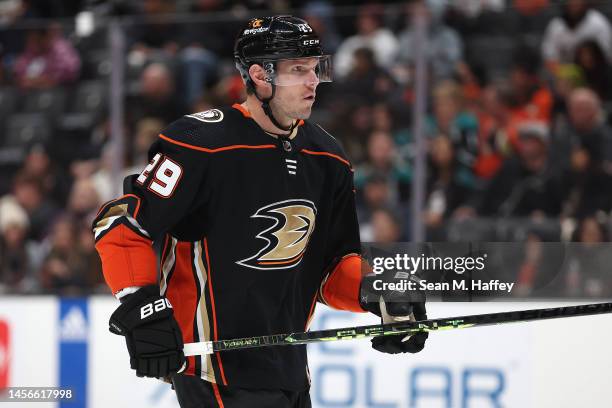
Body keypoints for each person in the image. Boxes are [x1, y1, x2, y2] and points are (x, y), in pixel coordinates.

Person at [92, 16, 427, 408]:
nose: (313, 81)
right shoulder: (200, 144)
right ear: (260, 75)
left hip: (289, 371)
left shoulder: (329, 157)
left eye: (316, 68)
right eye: (298, 70)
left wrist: (380, 294)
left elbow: (332, 267)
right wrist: (140, 305)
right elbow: (122, 224)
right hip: (214, 372)